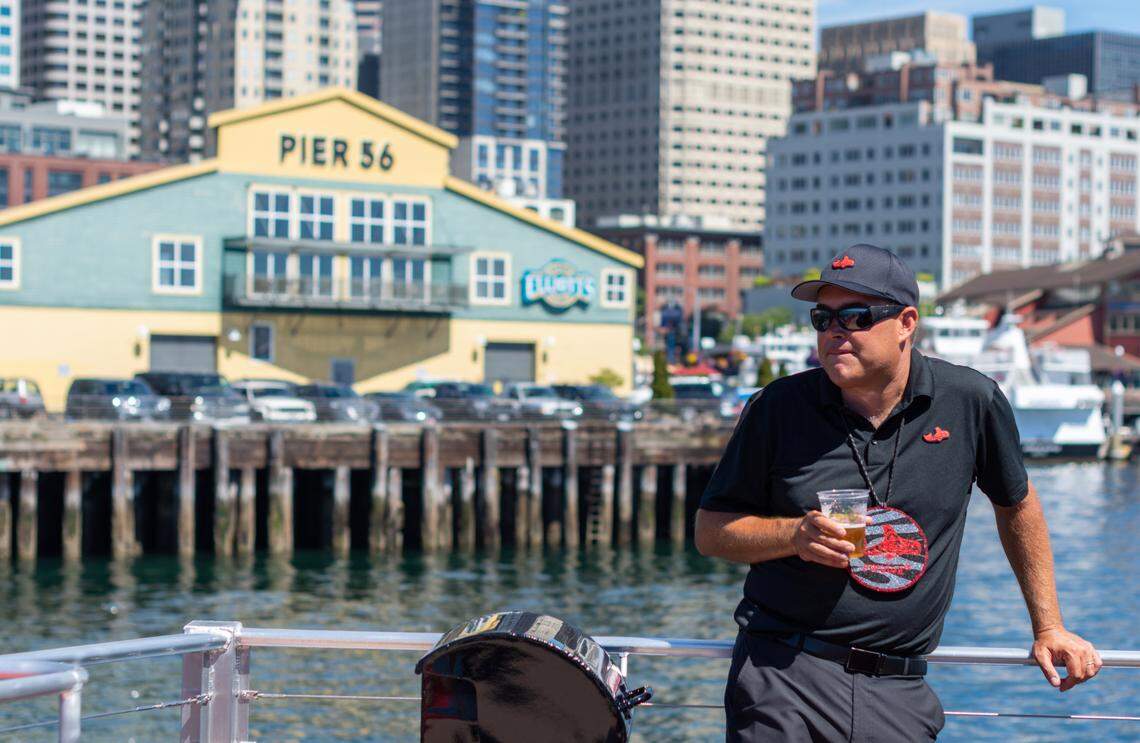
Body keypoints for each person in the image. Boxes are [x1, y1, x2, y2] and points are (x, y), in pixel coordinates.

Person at [694, 243, 1101, 742]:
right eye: (823, 318)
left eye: (856, 316)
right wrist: (793, 536)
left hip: (898, 686)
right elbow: (711, 532)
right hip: (782, 671)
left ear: (907, 322)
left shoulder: (969, 401)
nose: (835, 332)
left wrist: (1049, 625)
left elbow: (1016, 504)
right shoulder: (776, 408)